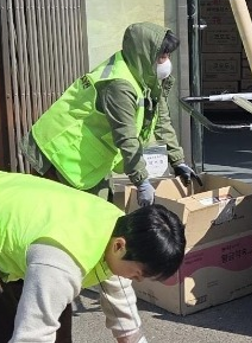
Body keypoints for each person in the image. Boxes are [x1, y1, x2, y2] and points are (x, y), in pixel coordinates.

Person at [0, 171, 186, 343]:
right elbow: (28, 342)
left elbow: (124, 317)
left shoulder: (120, 228)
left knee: (56, 329)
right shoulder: (60, 260)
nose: (135, 280)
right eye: (138, 274)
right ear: (120, 246)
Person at [20, 22, 199, 206]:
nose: (167, 62)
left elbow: (161, 119)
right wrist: (141, 181)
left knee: (102, 208)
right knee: (70, 213)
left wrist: (178, 161)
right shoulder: (119, 85)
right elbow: (126, 136)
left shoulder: (144, 75)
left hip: (87, 154)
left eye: (168, 56)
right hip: (61, 150)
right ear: (145, 54)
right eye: (162, 57)